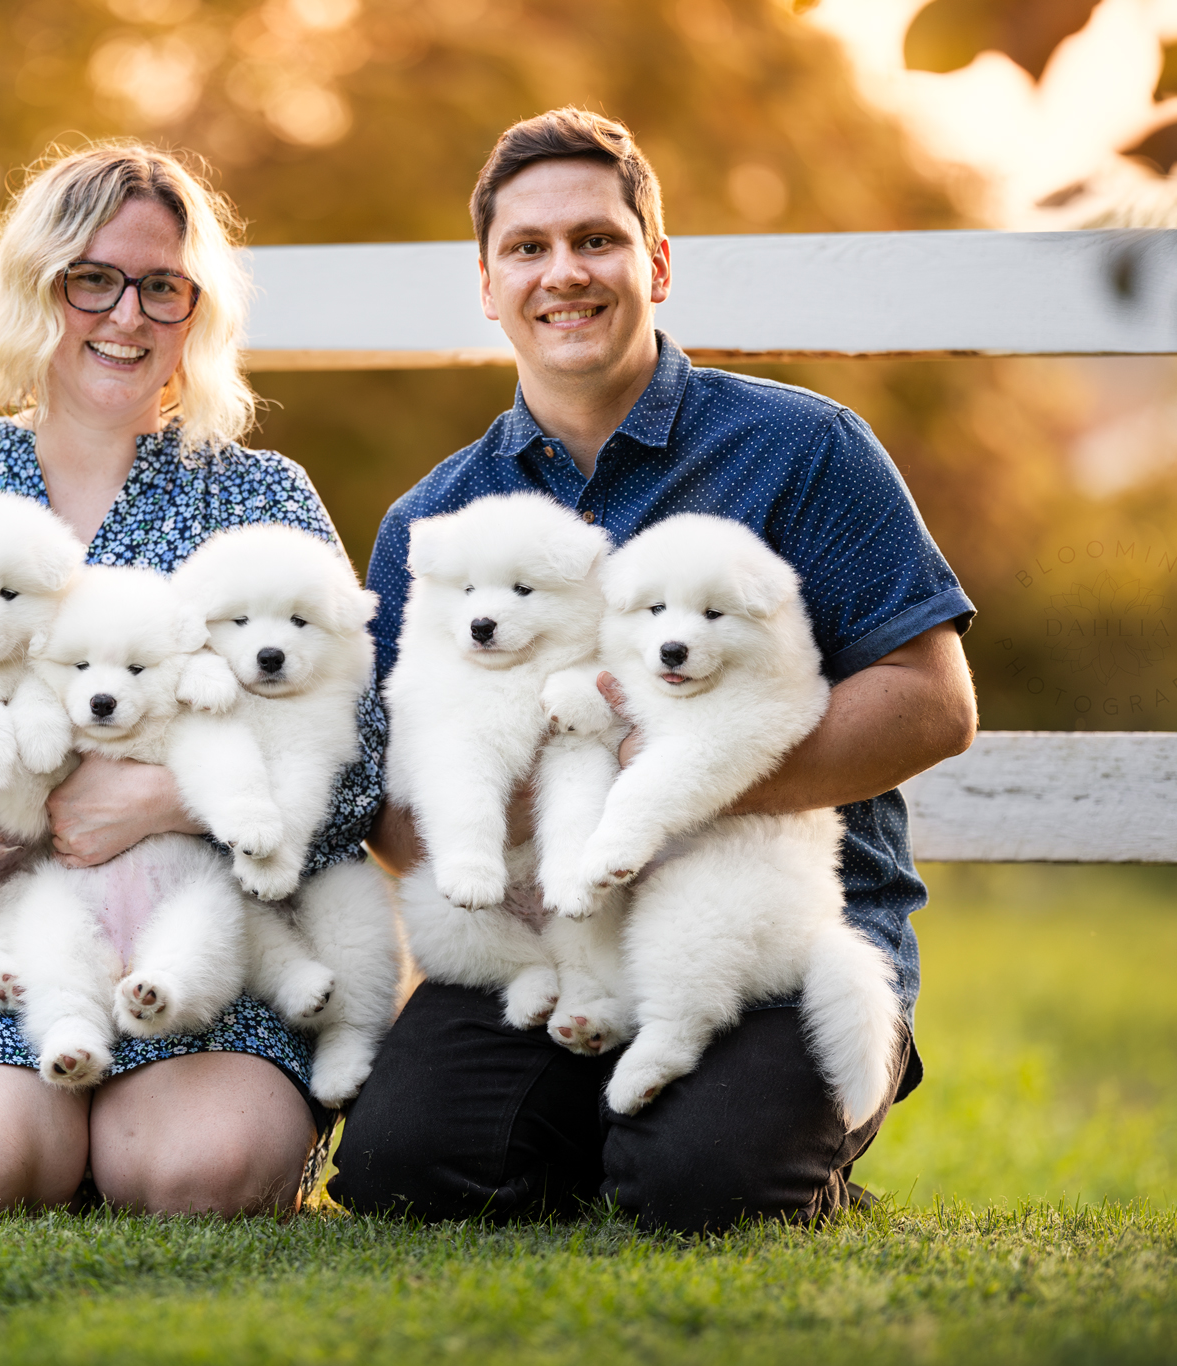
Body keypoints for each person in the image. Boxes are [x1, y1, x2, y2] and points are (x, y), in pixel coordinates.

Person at [327, 109, 979, 1234]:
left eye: (596, 239)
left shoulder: (801, 449)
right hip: (544, 932)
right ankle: (607, 1122)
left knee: (705, 1188)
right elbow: (392, 809)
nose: (561, 272)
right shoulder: (430, 519)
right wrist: (521, 819)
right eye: (525, 248)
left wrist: (661, 779)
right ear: (485, 284)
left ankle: (732, 1135)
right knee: (404, 1168)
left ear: (656, 262)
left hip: (754, 924)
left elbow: (931, 703)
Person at [0, 142, 385, 1217]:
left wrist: (160, 798)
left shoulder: (257, 494)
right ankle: (35, 1126)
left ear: (196, 313)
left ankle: (125, 1138)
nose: (124, 316)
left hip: (194, 941)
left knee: (205, 1172)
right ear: (32, 288)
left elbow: (361, 762)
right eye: (90, 277)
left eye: (160, 286)